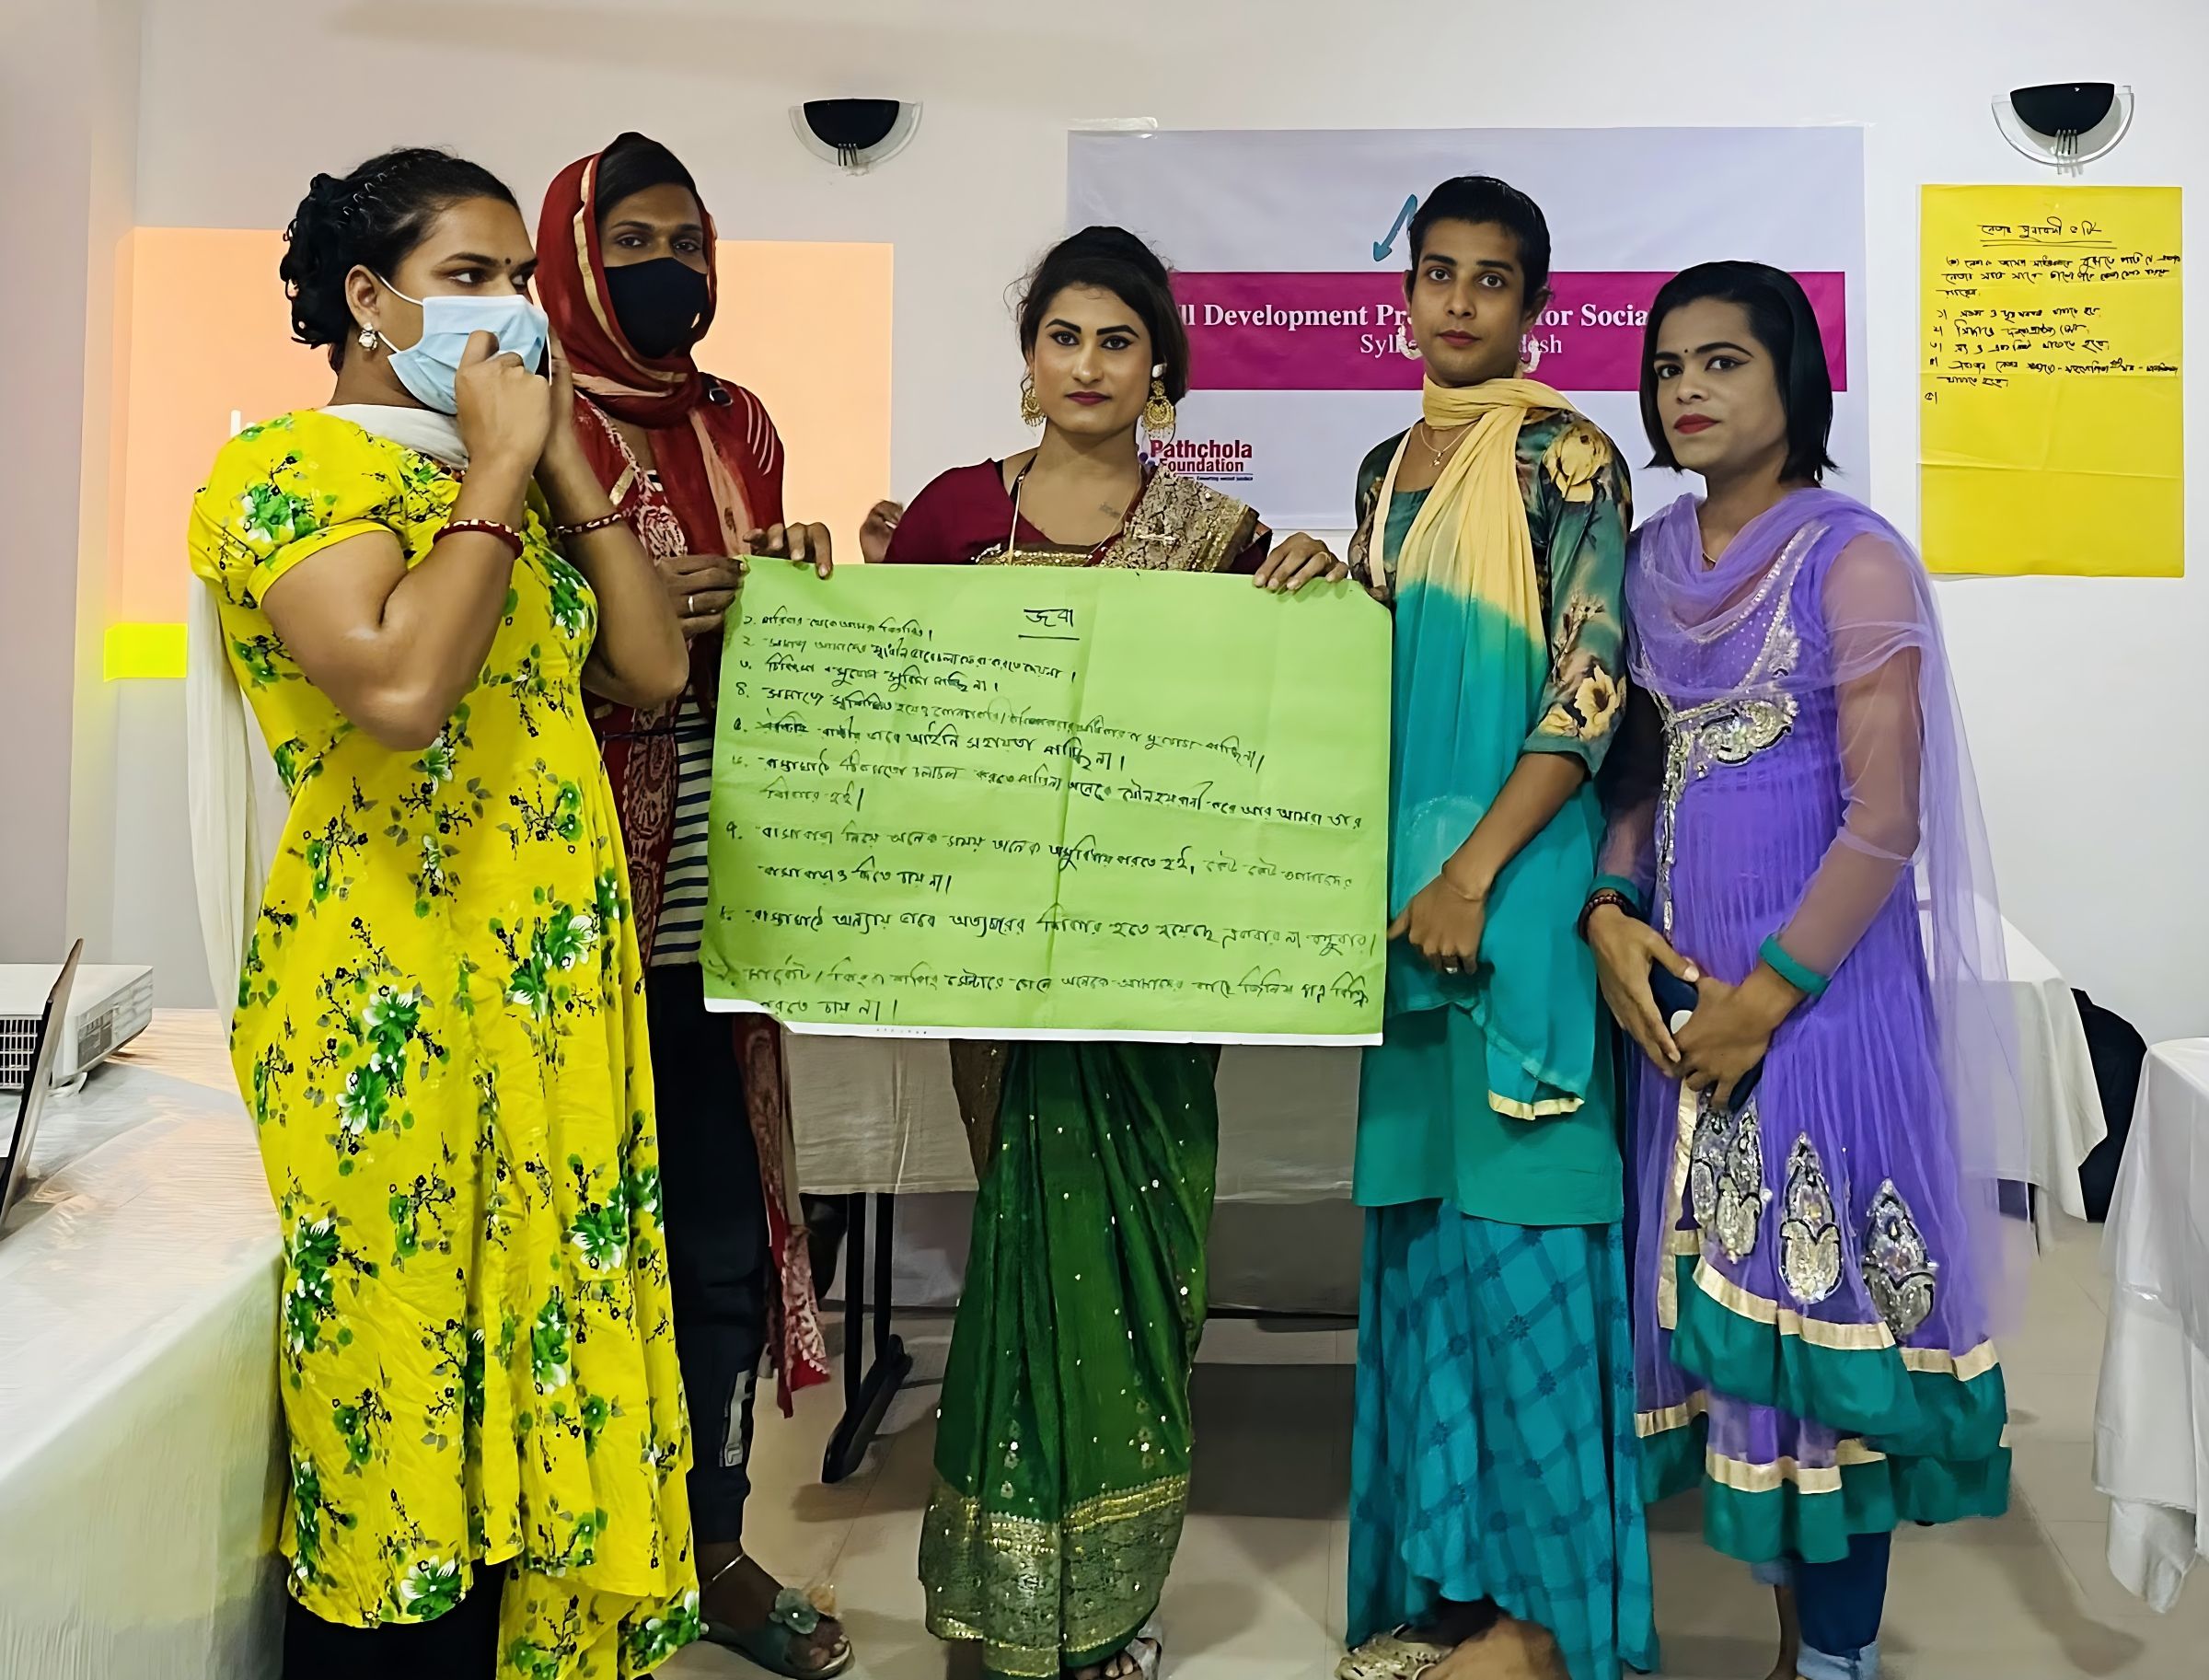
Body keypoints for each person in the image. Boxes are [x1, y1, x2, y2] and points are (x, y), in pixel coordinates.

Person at [187, 147, 700, 1675]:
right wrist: (494, 467)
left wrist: (557, 471)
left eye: (521, 283)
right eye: (472, 279)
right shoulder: (284, 471)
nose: (513, 315)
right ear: (369, 298)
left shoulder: (501, 491)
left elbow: (658, 668)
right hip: (393, 1004)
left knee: (543, 1376)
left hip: (551, 999)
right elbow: (403, 689)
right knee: (405, 1388)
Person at [885, 225, 1346, 1680]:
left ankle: (1110, 1605)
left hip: (1157, 957)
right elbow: (896, 712)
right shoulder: (957, 511)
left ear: (1165, 369)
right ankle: (1003, 1597)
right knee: (1024, 1248)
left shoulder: (1223, 538)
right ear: (1029, 359)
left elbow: (1266, 727)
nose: (1088, 366)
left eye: (1118, 341)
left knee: (1142, 1268)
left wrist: (1320, 594)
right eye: (1063, 337)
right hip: (997, 948)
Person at [1587, 261, 2026, 1680]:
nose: (1689, 390)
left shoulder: (1851, 554)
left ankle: (1837, 1657)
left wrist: (1764, 1002)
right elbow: (1638, 773)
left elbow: (1884, 818)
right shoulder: (1648, 562)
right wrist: (1608, 905)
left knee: (1828, 1330)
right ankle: (1791, 1643)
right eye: (1667, 368)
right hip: (1689, 1001)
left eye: (1723, 362)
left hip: (1819, 1011)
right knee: (1742, 1337)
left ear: (1793, 381)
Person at [534, 131, 898, 1679]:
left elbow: (756, 623)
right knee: (573, 1249)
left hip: (715, 914)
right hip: (567, 911)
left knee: (722, 1254)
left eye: (691, 236)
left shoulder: (738, 420)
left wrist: (797, 584)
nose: (667, 264)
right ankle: (573, 1560)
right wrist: (614, 616)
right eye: (632, 240)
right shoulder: (513, 418)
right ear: (573, 253)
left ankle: (715, 1550)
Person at [1336, 177, 1657, 1680]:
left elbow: (1590, 684)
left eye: (1493, 280)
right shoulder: (1384, 465)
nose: (1459, 302)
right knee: (1425, 1251)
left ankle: (1545, 1626)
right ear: (1405, 292)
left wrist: (1474, 871)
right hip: (1399, 884)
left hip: (1510, 881)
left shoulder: (1569, 456)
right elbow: (1362, 669)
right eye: (1438, 275)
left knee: (1527, 1240)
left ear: (1536, 306)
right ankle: (1448, 1590)